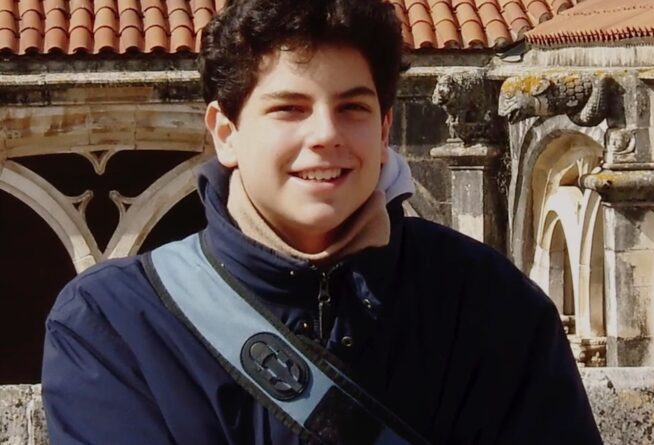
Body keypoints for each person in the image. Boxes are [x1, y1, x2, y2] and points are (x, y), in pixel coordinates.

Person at [41, 0, 602, 443]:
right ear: (226, 133)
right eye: (289, 108)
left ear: (384, 130)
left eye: (352, 108)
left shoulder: (493, 310)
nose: (326, 135)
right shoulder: (112, 325)